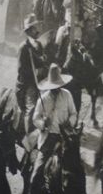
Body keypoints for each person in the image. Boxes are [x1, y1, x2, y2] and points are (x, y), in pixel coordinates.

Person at [30, 63, 78, 193]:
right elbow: (35, 118)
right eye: (54, 87)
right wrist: (43, 123)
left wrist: (70, 123)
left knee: (77, 171)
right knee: (35, 175)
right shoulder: (43, 100)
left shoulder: (67, 95)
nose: (56, 89)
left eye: (58, 86)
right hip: (49, 139)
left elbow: (74, 113)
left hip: (65, 138)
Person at [15, 14, 49, 135]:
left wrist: (43, 66)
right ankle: (28, 135)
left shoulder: (39, 45)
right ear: (29, 31)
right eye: (34, 28)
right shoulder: (23, 48)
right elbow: (21, 69)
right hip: (28, 84)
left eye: (37, 27)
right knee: (32, 108)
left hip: (40, 81)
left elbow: (43, 63)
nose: (37, 30)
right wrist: (33, 73)